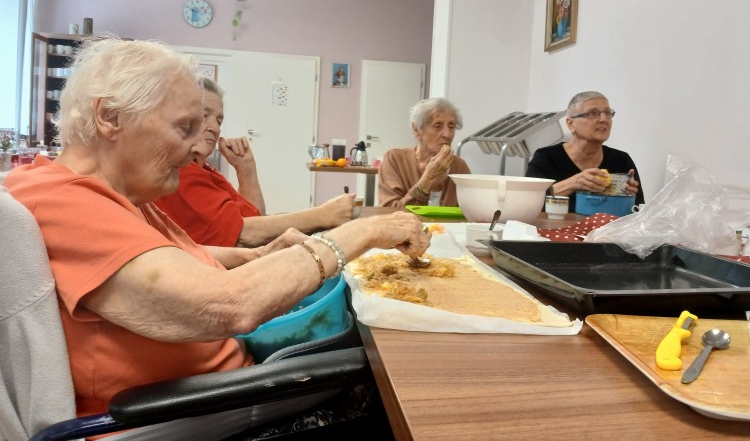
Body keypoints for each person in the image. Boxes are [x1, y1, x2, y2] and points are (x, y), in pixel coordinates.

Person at [4, 37, 431, 421]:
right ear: (110, 116)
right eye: (184, 127)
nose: (197, 146)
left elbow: (177, 260)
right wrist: (361, 233)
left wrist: (261, 257)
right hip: (197, 413)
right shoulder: (61, 201)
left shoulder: (120, 196)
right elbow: (227, 306)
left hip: (221, 391)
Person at [155, 76, 355, 247]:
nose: (214, 128)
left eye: (219, 120)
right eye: (205, 115)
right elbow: (243, 235)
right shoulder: (180, 173)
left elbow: (255, 218)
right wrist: (323, 215)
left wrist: (246, 168)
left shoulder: (204, 168)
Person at [525, 91, 644, 213]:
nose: (603, 119)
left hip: (605, 231)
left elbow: (640, 212)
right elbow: (527, 204)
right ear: (571, 124)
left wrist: (628, 198)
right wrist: (574, 183)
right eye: (593, 113)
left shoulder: (621, 160)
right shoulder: (546, 158)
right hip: (556, 230)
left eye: (608, 113)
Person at [378, 97, 470, 207]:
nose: (447, 134)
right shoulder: (395, 159)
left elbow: (471, 213)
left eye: (451, 127)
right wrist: (427, 181)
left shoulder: (459, 167)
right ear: (417, 130)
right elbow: (389, 213)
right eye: (437, 126)